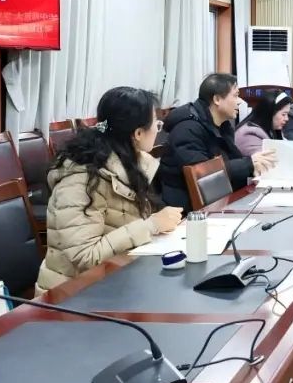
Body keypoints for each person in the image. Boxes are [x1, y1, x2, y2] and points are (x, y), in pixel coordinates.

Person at [38, 87, 184, 293]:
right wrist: (151, 225)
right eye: (156, 124)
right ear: (138, 133)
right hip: (71, 295)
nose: (157, 129)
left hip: (115, 282)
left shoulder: (130, 165)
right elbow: (84, 257)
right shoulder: (81, 178)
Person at [158, 73, 277, 212]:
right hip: (187, 211)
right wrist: (249, 164)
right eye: (235, 95)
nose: (240, 101)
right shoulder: (187, 129)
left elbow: (231, 163)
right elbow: (204, 175)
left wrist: (254, 166)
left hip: (217, 201)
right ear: (217, 99)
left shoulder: (223, 125)